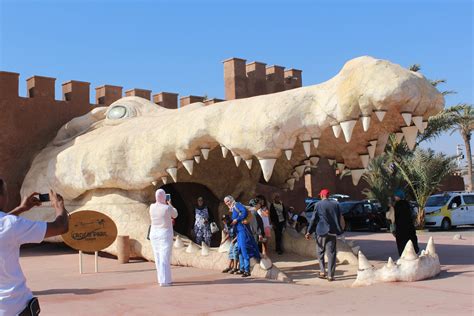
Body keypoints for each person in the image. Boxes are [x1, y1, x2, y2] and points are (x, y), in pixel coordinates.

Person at [0, 178, 69, 316]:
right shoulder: (11, 225)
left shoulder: (9, 225)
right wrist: (59, 206)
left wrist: (21, 209)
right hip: (14, 306)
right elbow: (61, 227)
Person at [305, 189, 345, 282]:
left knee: (320, 252)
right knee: (331, 254)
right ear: (328, 195)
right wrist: (340, 231)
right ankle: (330, 275)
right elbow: (340, 218)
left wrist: (309, 232)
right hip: (333, 232)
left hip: (321, 231)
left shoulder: (318, 204)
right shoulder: (336, 204)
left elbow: (313, 219)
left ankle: (322, 271)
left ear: (322, 195)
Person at [224, 195, 260, 277]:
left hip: (243, 230)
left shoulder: (237, 205)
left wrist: (237, 219)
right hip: (238, 232)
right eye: (225, 202)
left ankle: (247, 270)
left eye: (228, 201)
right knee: (239, 249)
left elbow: (244, 211)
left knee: (244, 249)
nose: (227, 203)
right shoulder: (232, 208)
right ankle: (242, 268)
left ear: (231, 200)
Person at [149, 189, 178, 287]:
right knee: (164, 257)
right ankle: (165, 281)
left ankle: (161, 279)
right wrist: (170, 204)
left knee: (158, 257)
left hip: (154, 234)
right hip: (164, 234)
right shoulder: (167, 208)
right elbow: (175, 214)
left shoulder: (151, 207)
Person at [393, 189, 419, 256]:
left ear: (399, 196)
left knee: (402, 246)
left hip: (401, 229)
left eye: (396, 196)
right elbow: (412, 215)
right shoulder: (408, 204)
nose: (395, 197)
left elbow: (395, 217)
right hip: (410, 228)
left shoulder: (397, 205)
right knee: (411, 243)